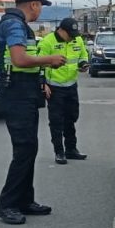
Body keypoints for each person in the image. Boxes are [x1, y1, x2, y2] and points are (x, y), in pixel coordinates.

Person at [0, 0, 67, 226]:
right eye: (41, 6)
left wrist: (41, 81)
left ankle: (25, 199)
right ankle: (7, 204)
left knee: (29, 148)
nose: (41, 10)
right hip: (16, 93)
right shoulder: (14, 25)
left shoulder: (17, 25)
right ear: (34, 4)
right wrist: (50, 59)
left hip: (24, 91)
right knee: (24, 148)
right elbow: (19, 59)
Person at [38, 17, 90, 165]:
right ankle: (59, 152)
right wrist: (43, 84)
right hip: (54, 87)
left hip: (71, 86)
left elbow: (83, 55)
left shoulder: (76, 39)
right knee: (56, 121)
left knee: (71, 118)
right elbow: (39, 63)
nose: (72, 37)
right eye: (70, 34)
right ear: (61, 30)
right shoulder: (48, 42)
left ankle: (71, 149)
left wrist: (83, 64)